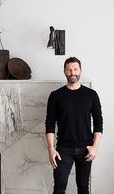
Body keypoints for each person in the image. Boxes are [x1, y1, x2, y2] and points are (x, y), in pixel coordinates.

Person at [45, 57, 103, 194]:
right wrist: (50, 149)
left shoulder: (91, 95)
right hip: (63, 149)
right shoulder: (55, 96)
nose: (73, 72)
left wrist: (95, 148)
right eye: (69, 70)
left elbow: (99, 123)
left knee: (83, 188)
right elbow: (50, 124)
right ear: (64, 71)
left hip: (86, 149)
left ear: (80, 71)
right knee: (59, 188)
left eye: (75, 69)